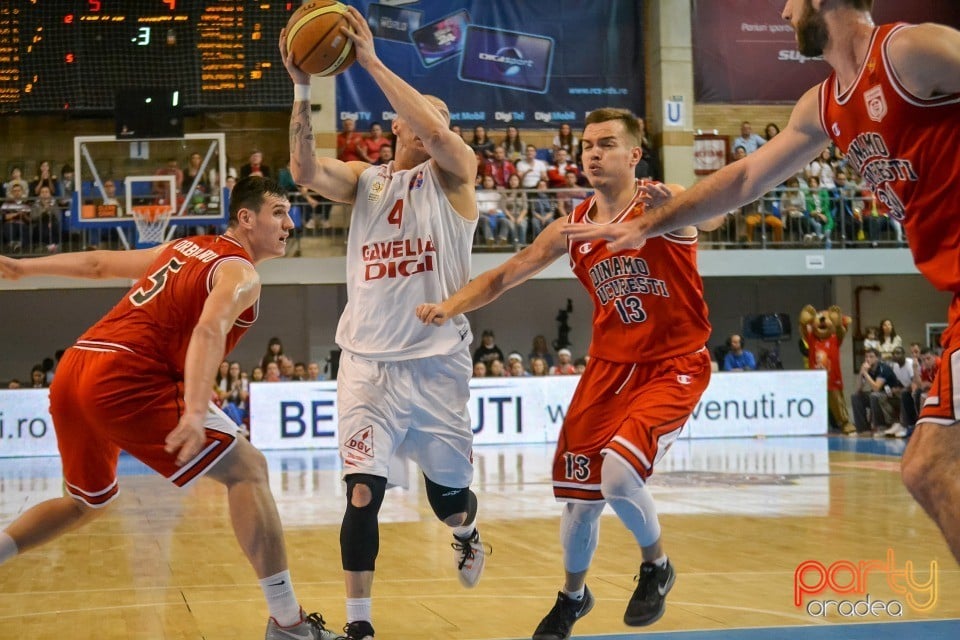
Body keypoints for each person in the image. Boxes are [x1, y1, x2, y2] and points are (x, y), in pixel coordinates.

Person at [559, 2, 960, 562]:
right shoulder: (823, 104)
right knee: (925, 468)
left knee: (930, 466)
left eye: (792, 1)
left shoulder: (907, 52)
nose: (784, 10)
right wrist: (651, 222)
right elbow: (745, 176)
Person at [417, 108, 722, 639]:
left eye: (607, 143)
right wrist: (450, 305)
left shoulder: (660, 202)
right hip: (607, 370)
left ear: (634, 155)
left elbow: (716, 213)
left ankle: (657, 565)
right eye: (586, 145)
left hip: (673, 365)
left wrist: (678, 206)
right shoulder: (573, 228)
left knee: (620, 476)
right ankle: (572, 597)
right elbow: (505, 275)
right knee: (579, 505)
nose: (594, 153)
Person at [0, 176, 337, 640]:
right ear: (245, 218)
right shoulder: (240, 272)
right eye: (278, 211)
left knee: (85, 502)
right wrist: (195, 411)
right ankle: (288, 624)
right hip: (127, 377)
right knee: (249, 469)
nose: (289, 221)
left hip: (77, 367)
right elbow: (208, 330)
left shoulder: (183, 246)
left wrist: (22, 270)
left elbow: (99, 264)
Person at [282, 9, 487, 640]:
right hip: (366, 363)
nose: (431, 125)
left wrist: (369, 59)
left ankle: (468, 533)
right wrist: (300, 87)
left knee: (449, 499)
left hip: (435, 363)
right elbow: (304, 172)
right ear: (395, 124)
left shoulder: (456, 178)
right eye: (420, 117)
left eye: (439, 119)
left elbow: (437, 131)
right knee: (361, 492)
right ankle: (360, 626)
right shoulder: (368, 182)